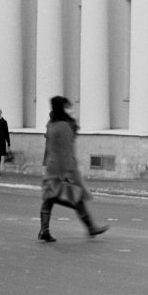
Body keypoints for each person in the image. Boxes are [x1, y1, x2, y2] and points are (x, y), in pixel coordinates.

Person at [38, 95, 108, 242]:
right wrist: (68, 172)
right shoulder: (63, 126)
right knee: (76, 196)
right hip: (63, 168)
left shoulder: (51, 124)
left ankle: (44, 231)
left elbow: (50, 148)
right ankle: (90, 227)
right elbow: (66, 151)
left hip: (52, 167)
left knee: (50, 198)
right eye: (67, 107)